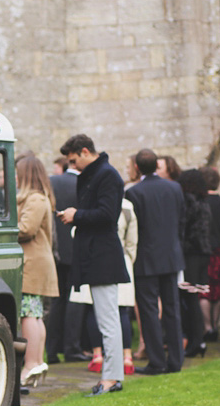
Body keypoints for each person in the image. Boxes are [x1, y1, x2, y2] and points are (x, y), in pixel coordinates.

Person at [57, 134, 129, 396]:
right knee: (105, 320)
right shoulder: (94, 174)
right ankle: (111, 377)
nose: (72, 166)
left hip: (103, 257)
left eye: (74, 160)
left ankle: (111, 379)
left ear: (85, 151)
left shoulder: (107, 175)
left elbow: (108, 215)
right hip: (95, 255)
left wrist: (76, 215)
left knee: (108, 320)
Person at [125, 148, 185, 375]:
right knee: (172, 308)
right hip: (170, 255)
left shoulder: (134, 193)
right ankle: (176, 360)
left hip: (147, 259)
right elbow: (182, 221)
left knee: (149, 310)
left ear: (137, 167)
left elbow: (134, 230)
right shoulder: (174, 187)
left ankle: (158, 362)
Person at [69, 197, 139, 376]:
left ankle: (98, 354)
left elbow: (76, 232)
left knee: (94, 309)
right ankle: (127, 356)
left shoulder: (90, 206)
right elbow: (132, 239)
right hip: (120, 257)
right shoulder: (127, 206)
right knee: (121, 310)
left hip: (94, 257)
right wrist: (129, 258)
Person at [15, 156, 60, 388]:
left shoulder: (35, 198)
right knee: (34, 313)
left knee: (28, 314)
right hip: (37, 261)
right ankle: (37, 362)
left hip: (32, 262)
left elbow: (26, 229)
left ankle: (31, 363)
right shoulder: (39, 197)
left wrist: (2, 225)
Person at [46, 152, 88, 364]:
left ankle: (52, 351)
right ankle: (72, 348)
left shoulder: (51, 182)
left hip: (55, 249)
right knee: (76, 299)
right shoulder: (85, 182)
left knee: (56, 300)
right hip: (77, 247)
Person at [177, 169, 212, 358]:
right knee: (194, 297)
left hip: (191, 253)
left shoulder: (188, 201)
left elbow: (183, 227)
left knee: (189, 298)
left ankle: (196, 340)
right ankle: (198, 340)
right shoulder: (204, 202)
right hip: (203, 252)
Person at [199, 166, 220, 339]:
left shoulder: (201, 202)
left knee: (205, 290)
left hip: (206, 250)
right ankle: (216, 325)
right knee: (218, 291)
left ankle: (207, 327)